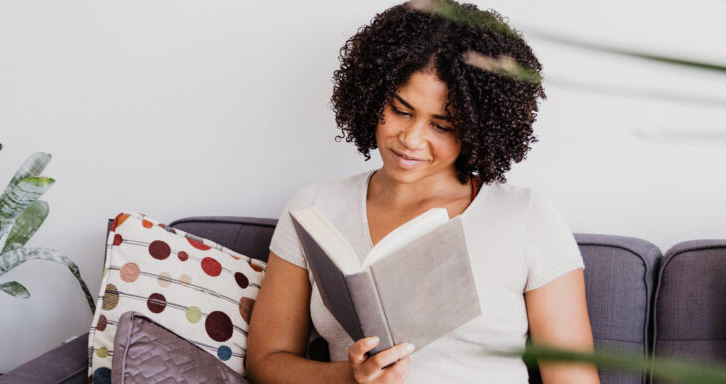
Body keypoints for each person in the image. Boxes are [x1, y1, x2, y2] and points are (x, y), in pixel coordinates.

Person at [245, 1, 600, 383]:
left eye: (442, 126)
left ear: (478, 130)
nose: (411, 140)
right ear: (373, 95)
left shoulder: (526, 217)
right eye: (401, 110)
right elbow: (266, 361)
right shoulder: (316, 208)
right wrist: (350, 376)